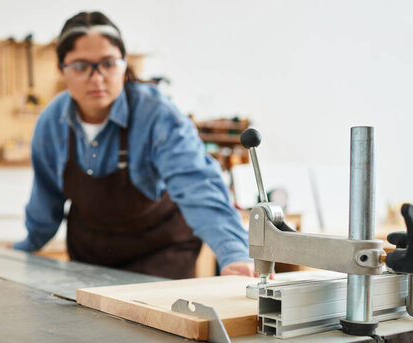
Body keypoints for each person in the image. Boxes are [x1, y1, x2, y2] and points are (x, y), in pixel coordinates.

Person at [14, 11, 253, 279]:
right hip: (91, 259)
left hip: (160, 254)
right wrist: (24, 250)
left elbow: (198, 186)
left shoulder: (156, 114)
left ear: (125, 64)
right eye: (81, 66)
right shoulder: (52, 122)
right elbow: (45, 200)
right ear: (61, 69)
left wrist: (234, 254)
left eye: (108, 63)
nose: (97, 78)